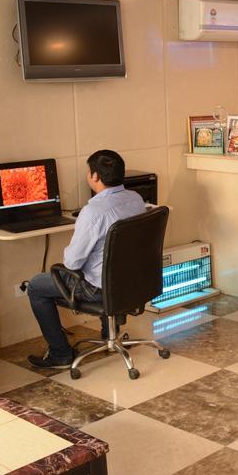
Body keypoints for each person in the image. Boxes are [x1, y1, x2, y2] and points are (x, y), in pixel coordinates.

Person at [25, 150, 147, 369]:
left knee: (35, 286)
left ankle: (60, 353)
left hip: (98, 289)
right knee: (104, 266)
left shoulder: (93, 212)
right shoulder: (136, 199)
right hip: (132, 282)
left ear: (95, 176)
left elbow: (72, 263)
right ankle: (109, 334)